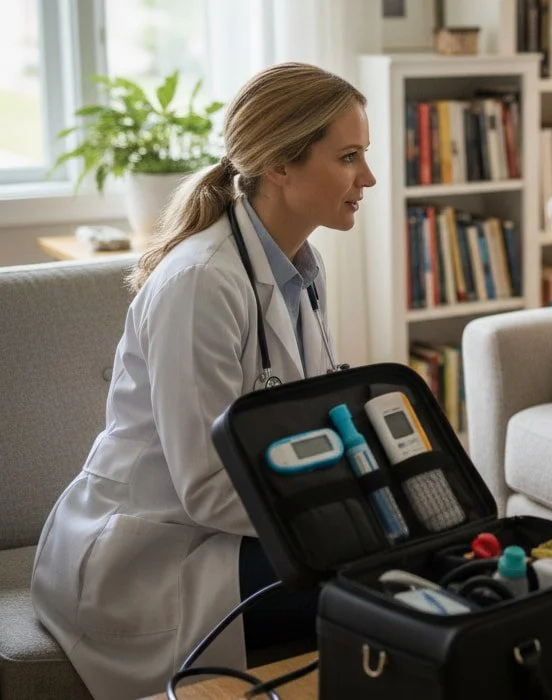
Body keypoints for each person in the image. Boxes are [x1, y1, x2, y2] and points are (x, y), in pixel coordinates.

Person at [31, 62, 377, 700]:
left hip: (225, 533)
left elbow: (299, 426)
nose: (368, 178)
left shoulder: (301, 266)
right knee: (378, 590)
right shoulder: (201, 283)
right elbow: (206, 488)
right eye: (349, 156)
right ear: (280, 165)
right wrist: (341, 523)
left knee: (409, 557)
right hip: (153, 554)